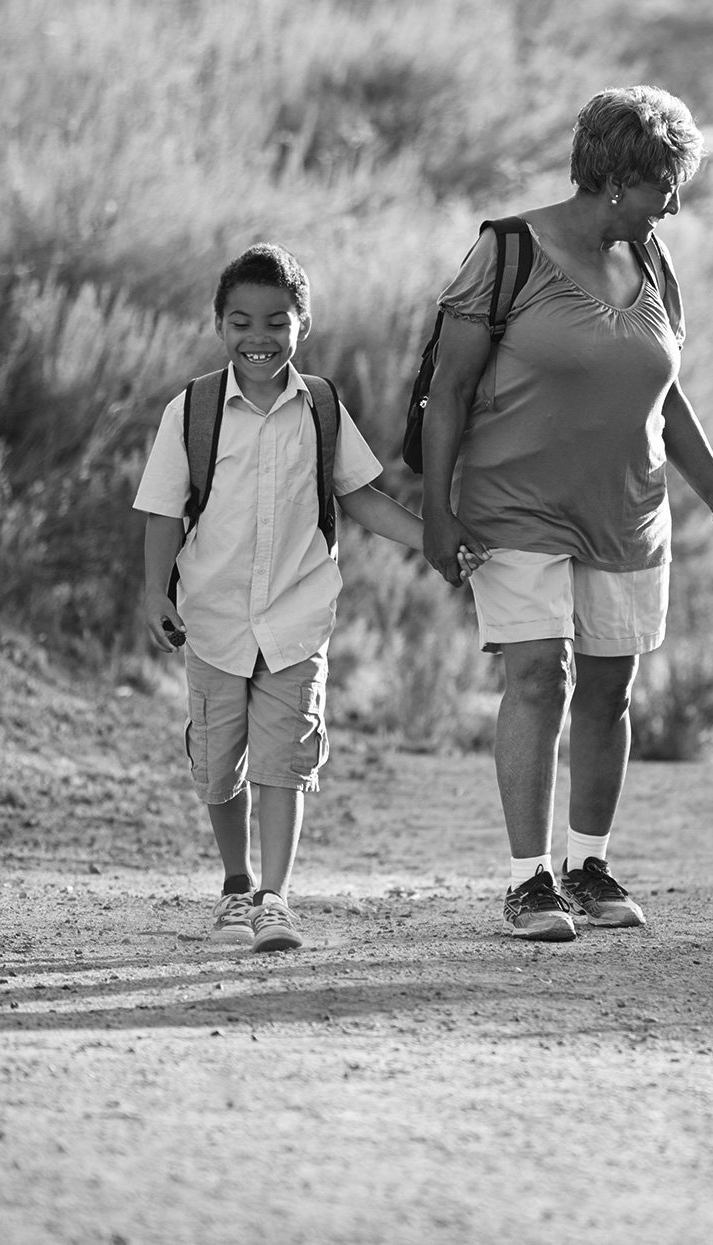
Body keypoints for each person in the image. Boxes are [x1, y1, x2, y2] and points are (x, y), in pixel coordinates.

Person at [419, 86, 713, 942]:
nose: (672, 208)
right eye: (664, 189)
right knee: (541, 675)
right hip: (515, 505)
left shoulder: (653, 263)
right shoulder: (507, 252)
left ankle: (588, 863)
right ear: (615, 181)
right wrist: (436, 511)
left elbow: (665, 398)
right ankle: (528, 879)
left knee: (610, 688)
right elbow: (448, 390)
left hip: (629, 510)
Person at [134, 244, 461, 952]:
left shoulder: (322, 407)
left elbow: (362, 499)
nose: (260, 338)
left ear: (301, 325)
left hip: (297, 616)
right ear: (219, 325)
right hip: (213, 616)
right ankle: (236, 883)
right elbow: (163, 510)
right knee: (218, 764)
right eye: (242, 322)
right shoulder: (192, 410)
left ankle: (274, 899)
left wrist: (434, 540)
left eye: (277, 322)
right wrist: (156, 591)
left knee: (284, 760)